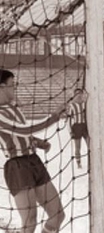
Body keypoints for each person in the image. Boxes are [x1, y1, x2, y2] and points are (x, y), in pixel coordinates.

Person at [0, 69, 65, 233]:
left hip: (34, 161)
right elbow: (23, 130)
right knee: (30, 221)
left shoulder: (14, 107)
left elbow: (21, 134)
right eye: (12, 85)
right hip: (17, 167)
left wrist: (37, 142)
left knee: (58, 215)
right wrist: (54, 117)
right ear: (1, 87)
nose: (14, 88)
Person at [67, 88, 89, 168]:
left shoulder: (84, 104)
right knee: (77, 146)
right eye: (77, 94)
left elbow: (87, 96)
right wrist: (70, 131)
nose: (79, 96)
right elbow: (68, 120)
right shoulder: (72, 105)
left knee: (89, 144)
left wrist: (85, 91)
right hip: (76, 127)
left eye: (80, 94)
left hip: (84, 126)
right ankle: (78, 163)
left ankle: (90, 161)